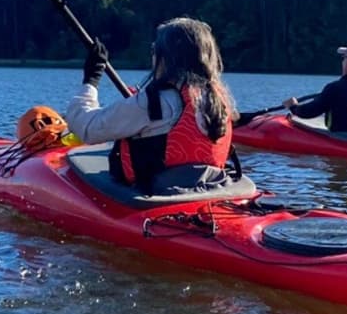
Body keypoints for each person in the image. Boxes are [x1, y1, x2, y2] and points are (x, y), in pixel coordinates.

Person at [65, 17, 237, 193]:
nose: (153, 55)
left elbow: (87, 128)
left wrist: (90, 81)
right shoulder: (217, 99)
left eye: (155, 50)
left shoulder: (154, 102)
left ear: (168, 57)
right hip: (212, 187)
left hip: (160, 195)